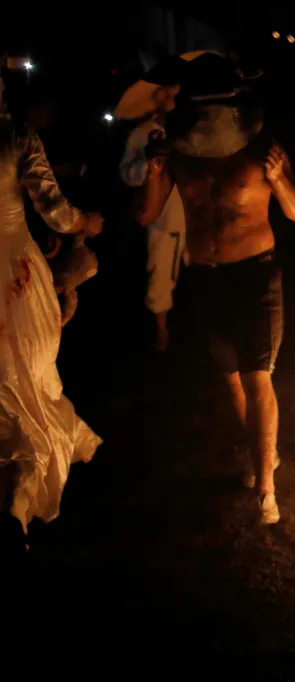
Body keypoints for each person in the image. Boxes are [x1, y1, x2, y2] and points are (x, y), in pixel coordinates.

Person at [134, 53, 295, 524]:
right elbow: (147, 214)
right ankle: (262, 452)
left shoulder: (261, 150)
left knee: (257, 377)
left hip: (254, 276)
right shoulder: (178, 154)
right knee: (229, 377)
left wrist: (278, 178)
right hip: (204, 277)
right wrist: (153, 172)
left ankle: (266, 489)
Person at [1, 58, 103, 552]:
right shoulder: (17, 137)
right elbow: (55, 210)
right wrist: (86, 222)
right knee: (30, 382)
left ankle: (14, 504)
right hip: (14, 274)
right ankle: (16, 504)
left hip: (17, 263)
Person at [116, 58, 189, 351]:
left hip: (186, 208)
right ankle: (160, 331)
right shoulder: (142, 133)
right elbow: (127, 173)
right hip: (162, 213)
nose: (171, 98)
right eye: (166, 92)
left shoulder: (184, 129)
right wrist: (149, 166)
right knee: (160, 266)